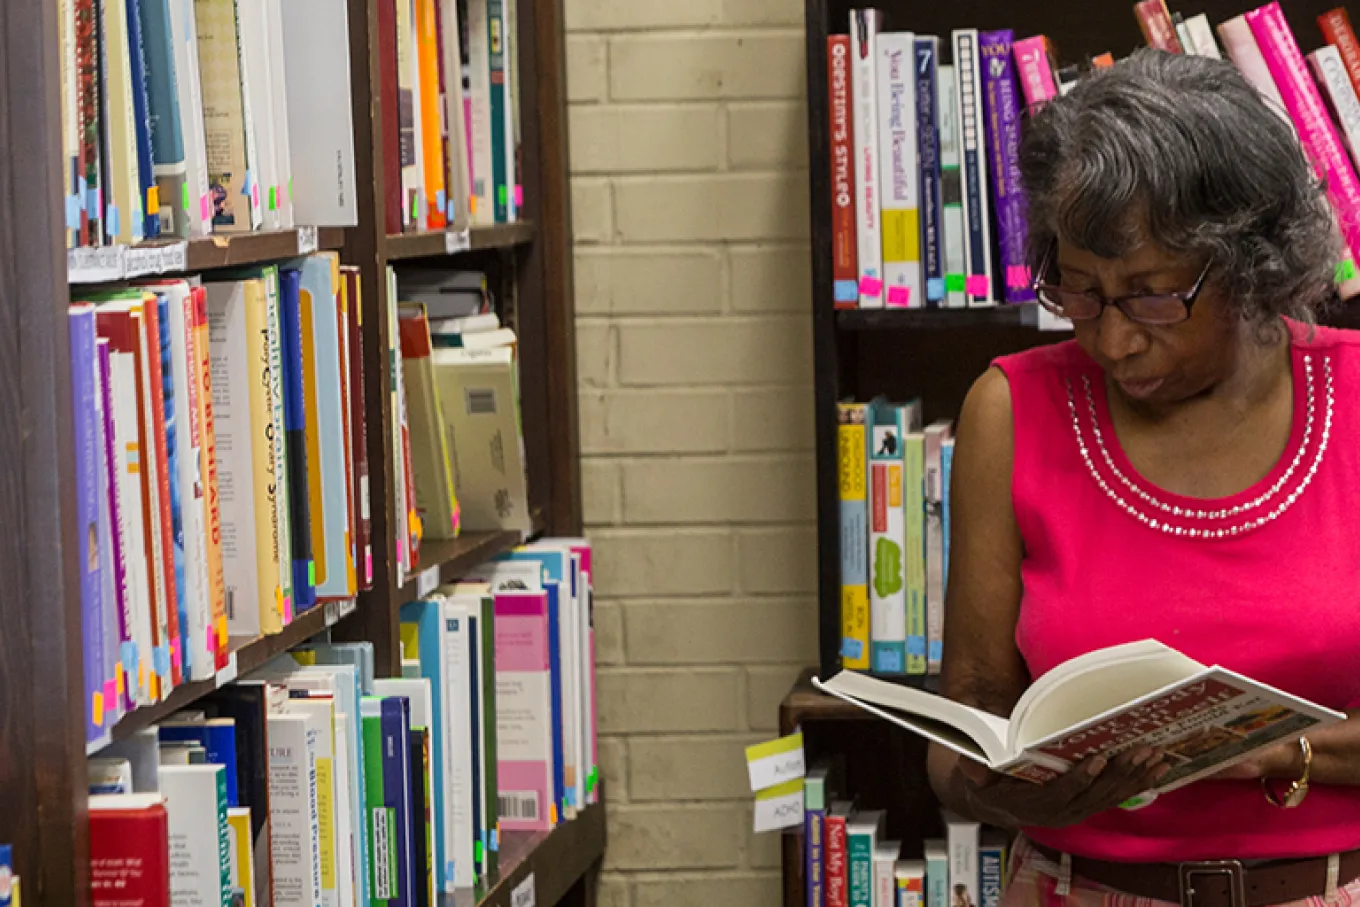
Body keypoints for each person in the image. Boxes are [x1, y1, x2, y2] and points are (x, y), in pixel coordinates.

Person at [926, 49, 1360, 907]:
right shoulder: (1010, 411)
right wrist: (1000, 786)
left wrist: (1267, 750)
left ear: (1248, 261)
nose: (1113, 340)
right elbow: (962, 730)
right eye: (1080, 293)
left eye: (1152, 295)